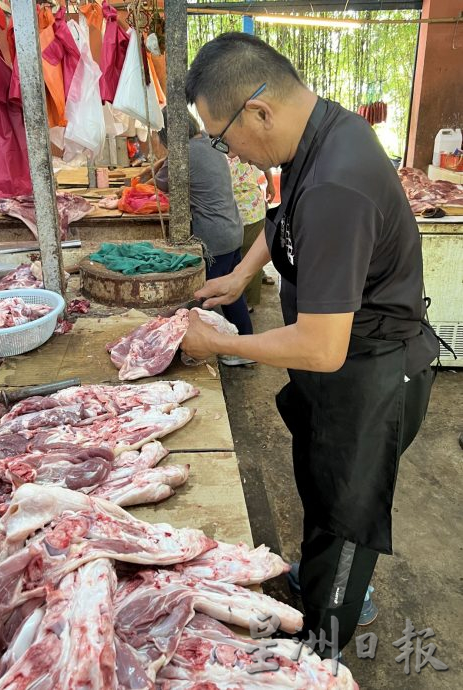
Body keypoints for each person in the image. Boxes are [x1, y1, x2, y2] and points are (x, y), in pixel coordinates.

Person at [181, 32, 439, 657]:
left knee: (346, 520)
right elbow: (283, 221)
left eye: (222, 138)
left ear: (259, 111)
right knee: (320, 489)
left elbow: (323, 347)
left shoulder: (336, 184)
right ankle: (320, 577)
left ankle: (321, 650)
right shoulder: (315, 135)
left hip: (371, 372)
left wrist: (224, 343)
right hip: (340, 364)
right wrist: (243, 273)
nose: (228, 153)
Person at [140, 106, 254, 357]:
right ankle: (245, 349)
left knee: (206, 297)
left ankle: (209, 347)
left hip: (215, 237)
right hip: (233, 229)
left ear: (168, 135)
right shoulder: (208, 142)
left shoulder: (184, 154)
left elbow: (162, 183)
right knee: (231, 292)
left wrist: (137, 183)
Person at [227, 158, 276, 310]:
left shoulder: (244, 143)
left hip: (249, 208)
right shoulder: (217, 147)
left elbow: (264, 161)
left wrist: (271, 183)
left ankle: (247, 301)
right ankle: (243, 298)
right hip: (231, 208)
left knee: (250, 256)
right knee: (243, 255)